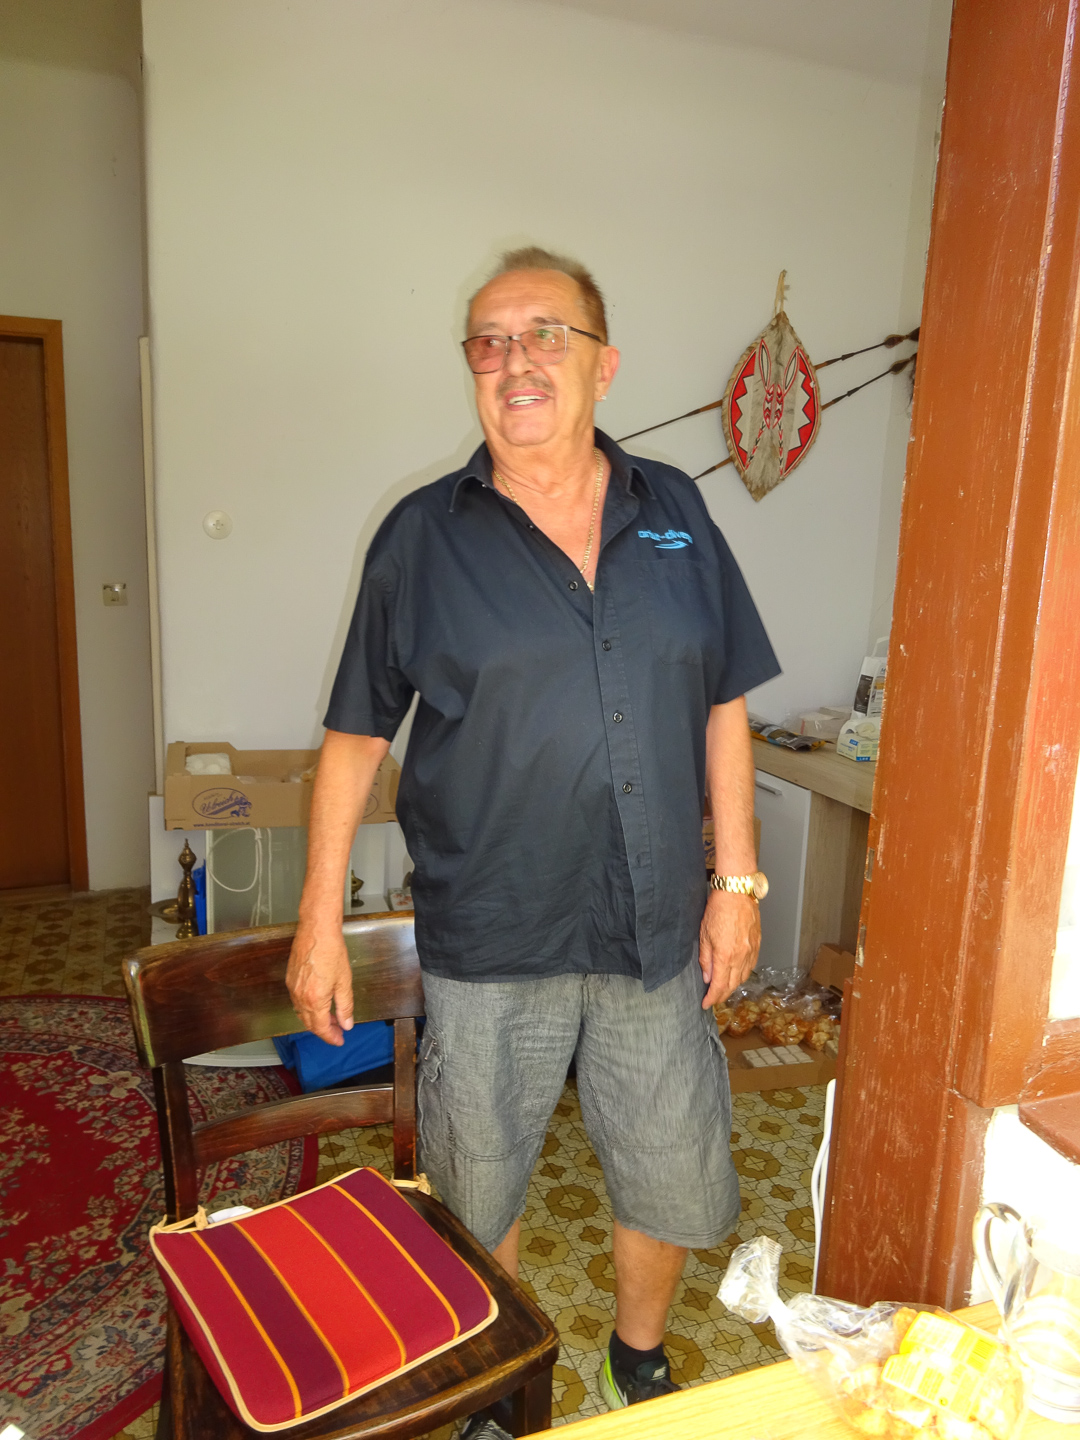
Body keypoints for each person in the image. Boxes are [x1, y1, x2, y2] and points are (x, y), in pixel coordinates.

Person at [287, 246, 779, 1432]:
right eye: (489, 340)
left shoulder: (678, 512)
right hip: (492, 925)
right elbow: (353, 740)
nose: (515, 360)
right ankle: (498, 1387)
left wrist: (738, 879)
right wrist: (318, 922)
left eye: (544, 334)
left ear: (604, 364)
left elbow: (723, 700)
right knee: (480, 1177)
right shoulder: (421, 537)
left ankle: (638, 1360)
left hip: (654, 924)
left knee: (667, 1159)